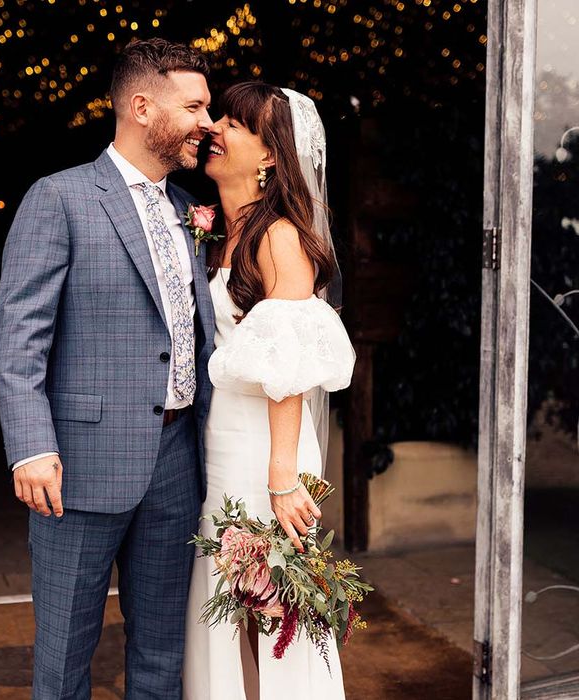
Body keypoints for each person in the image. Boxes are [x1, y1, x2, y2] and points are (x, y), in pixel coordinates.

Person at [0, 39, 215, 699]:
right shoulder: (57, 198)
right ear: (142, 107)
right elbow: (17, 332)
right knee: (64, 659)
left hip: (177, 458)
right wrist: (30, 444)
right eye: (195, 105)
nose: (207, 120)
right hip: (80, 463)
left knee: (161, 653)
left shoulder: (188, 209)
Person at [182, 82, 356, 699]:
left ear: (270, 156)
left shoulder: (280, 236)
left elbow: (289, 364)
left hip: (267, 449)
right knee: (229, 601)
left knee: (274, 606)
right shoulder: (213, 231)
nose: (215, 128)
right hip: (220, 440)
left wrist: (283, 475)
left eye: (234, 122)